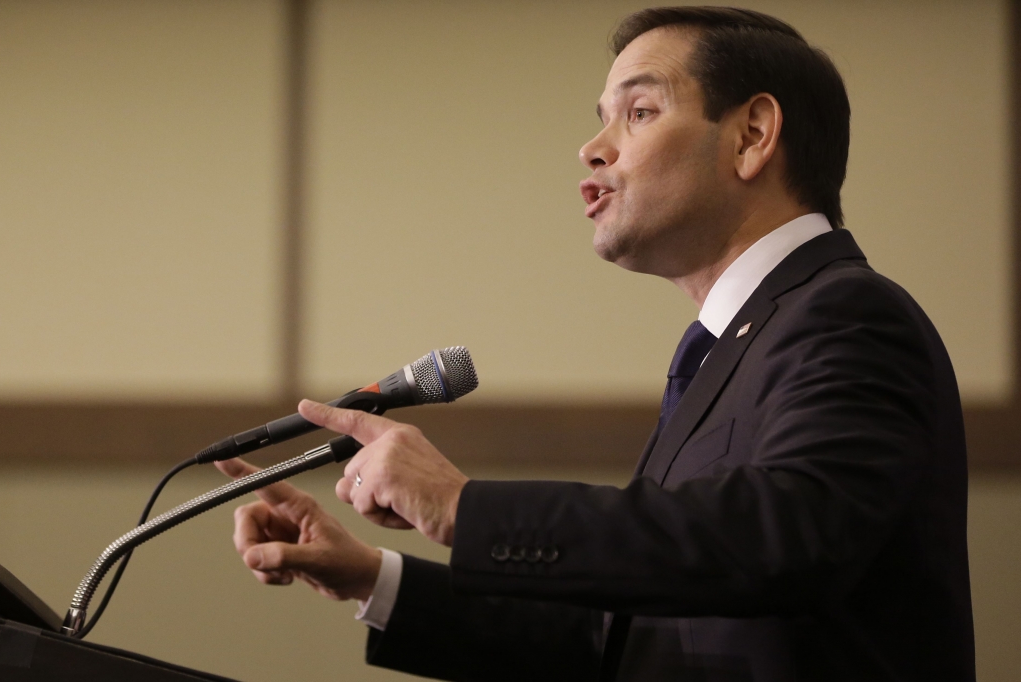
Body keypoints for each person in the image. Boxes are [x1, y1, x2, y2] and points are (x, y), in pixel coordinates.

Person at [217, 7, 975, 681]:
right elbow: (617, 644)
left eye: (638, 112)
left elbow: (782, 540)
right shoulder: (724, 350)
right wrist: (373, 578)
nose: (592, 147)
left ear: (752, 136)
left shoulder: (846, 314)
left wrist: (464, 506)